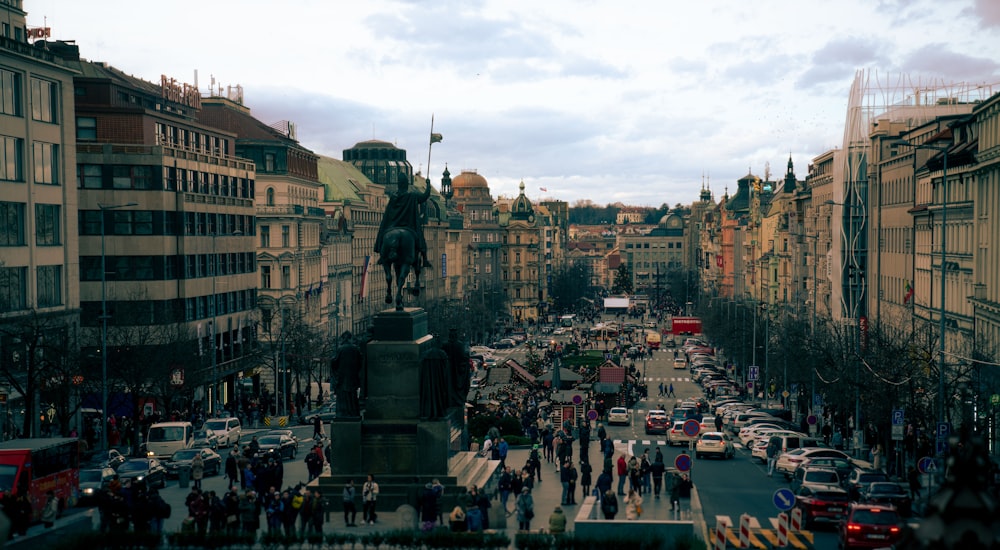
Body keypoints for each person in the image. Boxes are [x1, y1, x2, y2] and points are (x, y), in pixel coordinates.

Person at [375, 172, 433, 269]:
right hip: (409, 226)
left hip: (393, 225)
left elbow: (387, 215)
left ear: (398, 184)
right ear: (406, 184)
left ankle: (382, 255)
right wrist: (428, 185)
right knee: (421, 240)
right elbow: (425, 196)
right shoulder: (412, 196)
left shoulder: (393, 197)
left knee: (384, 234)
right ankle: (425, 259)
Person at [332, 332, 363, 418]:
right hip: (353, 377)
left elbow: (334, 362)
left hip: (342, 378)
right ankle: (353, 413)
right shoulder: (355, 349)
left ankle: (343, 414)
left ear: (343, 338)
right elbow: (360, 363)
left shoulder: (340, 349)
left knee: (343, 396)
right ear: (350, 338)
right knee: (352, 396)